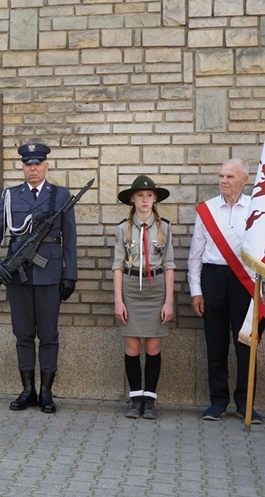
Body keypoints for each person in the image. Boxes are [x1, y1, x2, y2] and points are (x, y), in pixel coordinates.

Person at [0, 142, 77, 414]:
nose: (32, 169)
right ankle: (27, 390)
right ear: (22, 167)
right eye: (28, 164)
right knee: (23, 334)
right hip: (18, 277)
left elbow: (70, 239)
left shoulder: (60, 195)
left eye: (37, 164)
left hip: (50, 276)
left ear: (46, 166)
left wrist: (70, 275)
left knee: (48, 334)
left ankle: (46, 392)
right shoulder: (11, 196)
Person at [188, 159, 263, 423]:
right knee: (215, 342)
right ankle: (217, 401)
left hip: (245, 282)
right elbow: (195, 255)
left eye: (230, 176)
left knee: (246, 344)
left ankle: (245, 403)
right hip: (214, 278)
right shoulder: (207, 210)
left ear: (244, 180)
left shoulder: (257, 210)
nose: (223, 180)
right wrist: (196, 291)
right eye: (221, 175)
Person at [112, 176, 175, 420]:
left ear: (155, 198)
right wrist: (119, 301)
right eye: (140, 195)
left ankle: (149, 399)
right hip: (131, 289)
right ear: (132, 199)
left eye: (149, 195)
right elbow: (117, 266)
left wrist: (168, 301)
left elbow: (169, 265)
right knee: (132, 346)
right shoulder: (123, 228)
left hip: (156, 288)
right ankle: (135, 397)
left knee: (153, 346)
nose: (145, 199)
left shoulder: (164, 228)